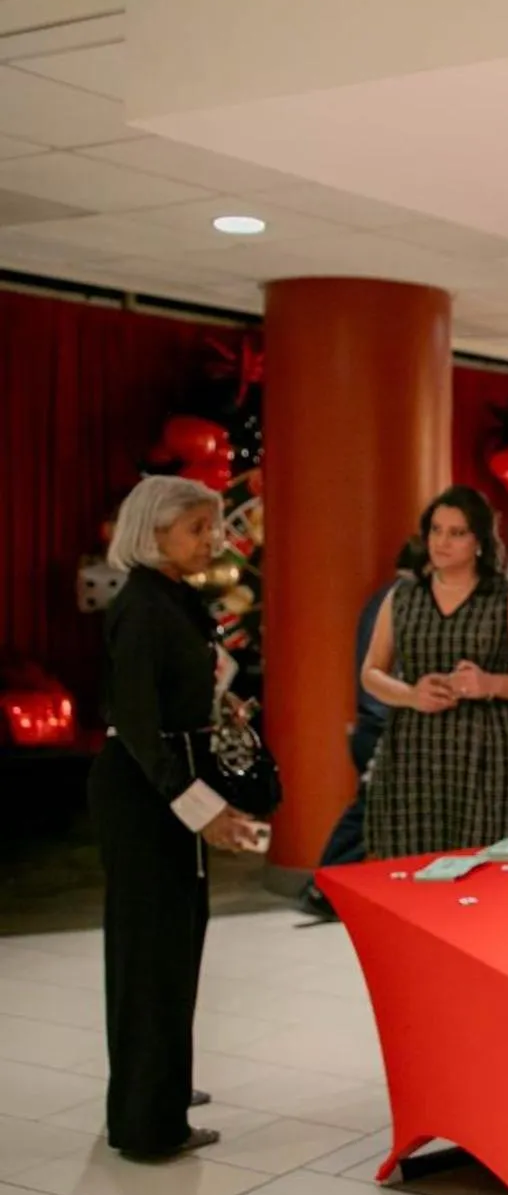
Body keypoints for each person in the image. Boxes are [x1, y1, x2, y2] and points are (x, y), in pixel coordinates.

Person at [90, 475, 266, 1160]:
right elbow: (138, 726)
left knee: (174, 945)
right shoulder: (141, 605)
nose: (212, 539)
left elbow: (176, 693)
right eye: (198, 527)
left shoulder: (172, 597)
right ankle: (147, 1123)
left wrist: (222, 708)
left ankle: (160, 1087)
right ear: (154, 531)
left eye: (212, 525)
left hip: (167, 782)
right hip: (146, 793)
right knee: (151, 955)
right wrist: (202, 809)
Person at [361, 486, 508, 858]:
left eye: (456, 533)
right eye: (436, 530)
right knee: (410, 859)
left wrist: (489, 683)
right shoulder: (402, 597)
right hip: (414, 745)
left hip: (487, 748)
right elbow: (371, 673)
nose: (442, 542)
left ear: (478, 541)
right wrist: (411, 694)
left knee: (489, 858)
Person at [298, 539, 422, 920]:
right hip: (386, 724)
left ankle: (330, 885)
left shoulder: (381, 600)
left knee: (376, 809)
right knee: (370, 810)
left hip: (374, 722)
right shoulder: (403, 603)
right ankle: (324, 886)